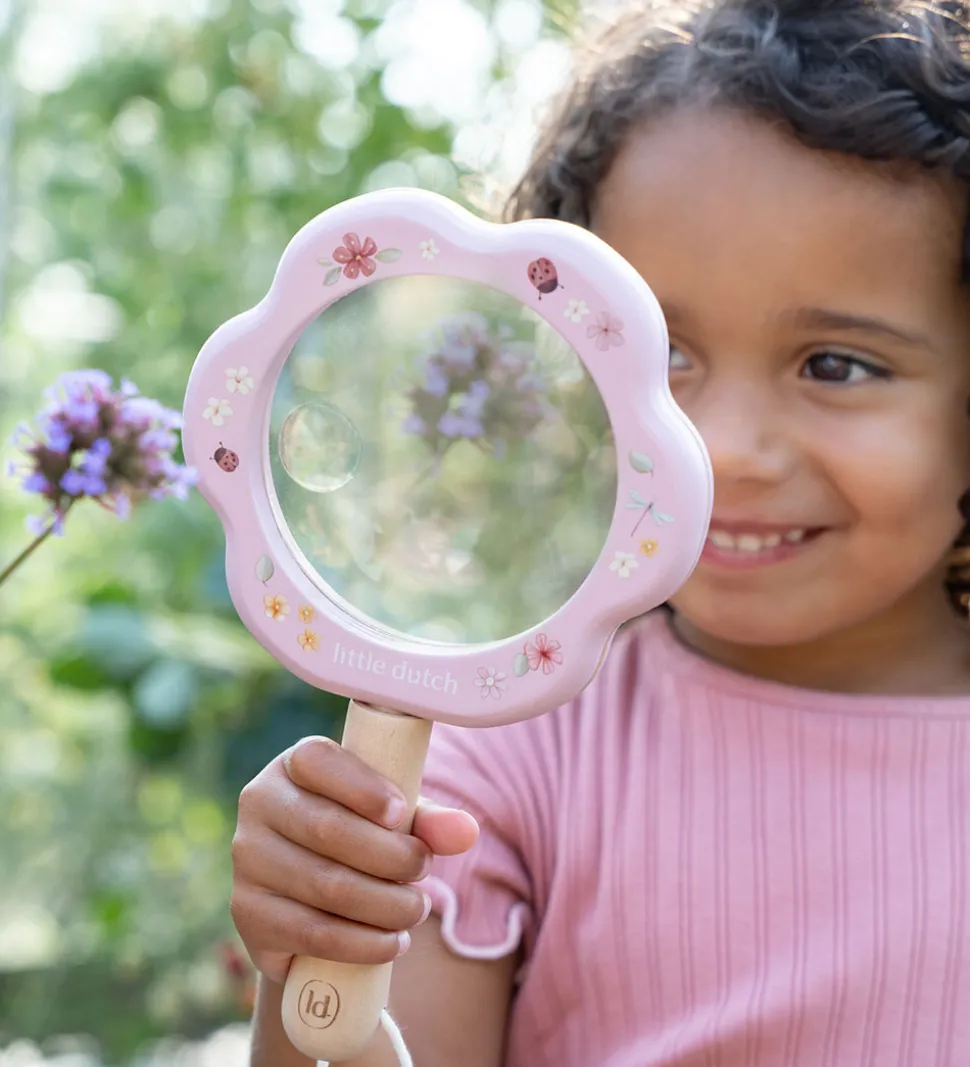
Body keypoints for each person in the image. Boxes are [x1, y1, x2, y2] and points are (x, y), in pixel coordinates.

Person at [229, 1, 970, 1063]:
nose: (722, 450)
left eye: (835, 365)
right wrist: (311, 956)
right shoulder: (501, 749)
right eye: (661, 355)